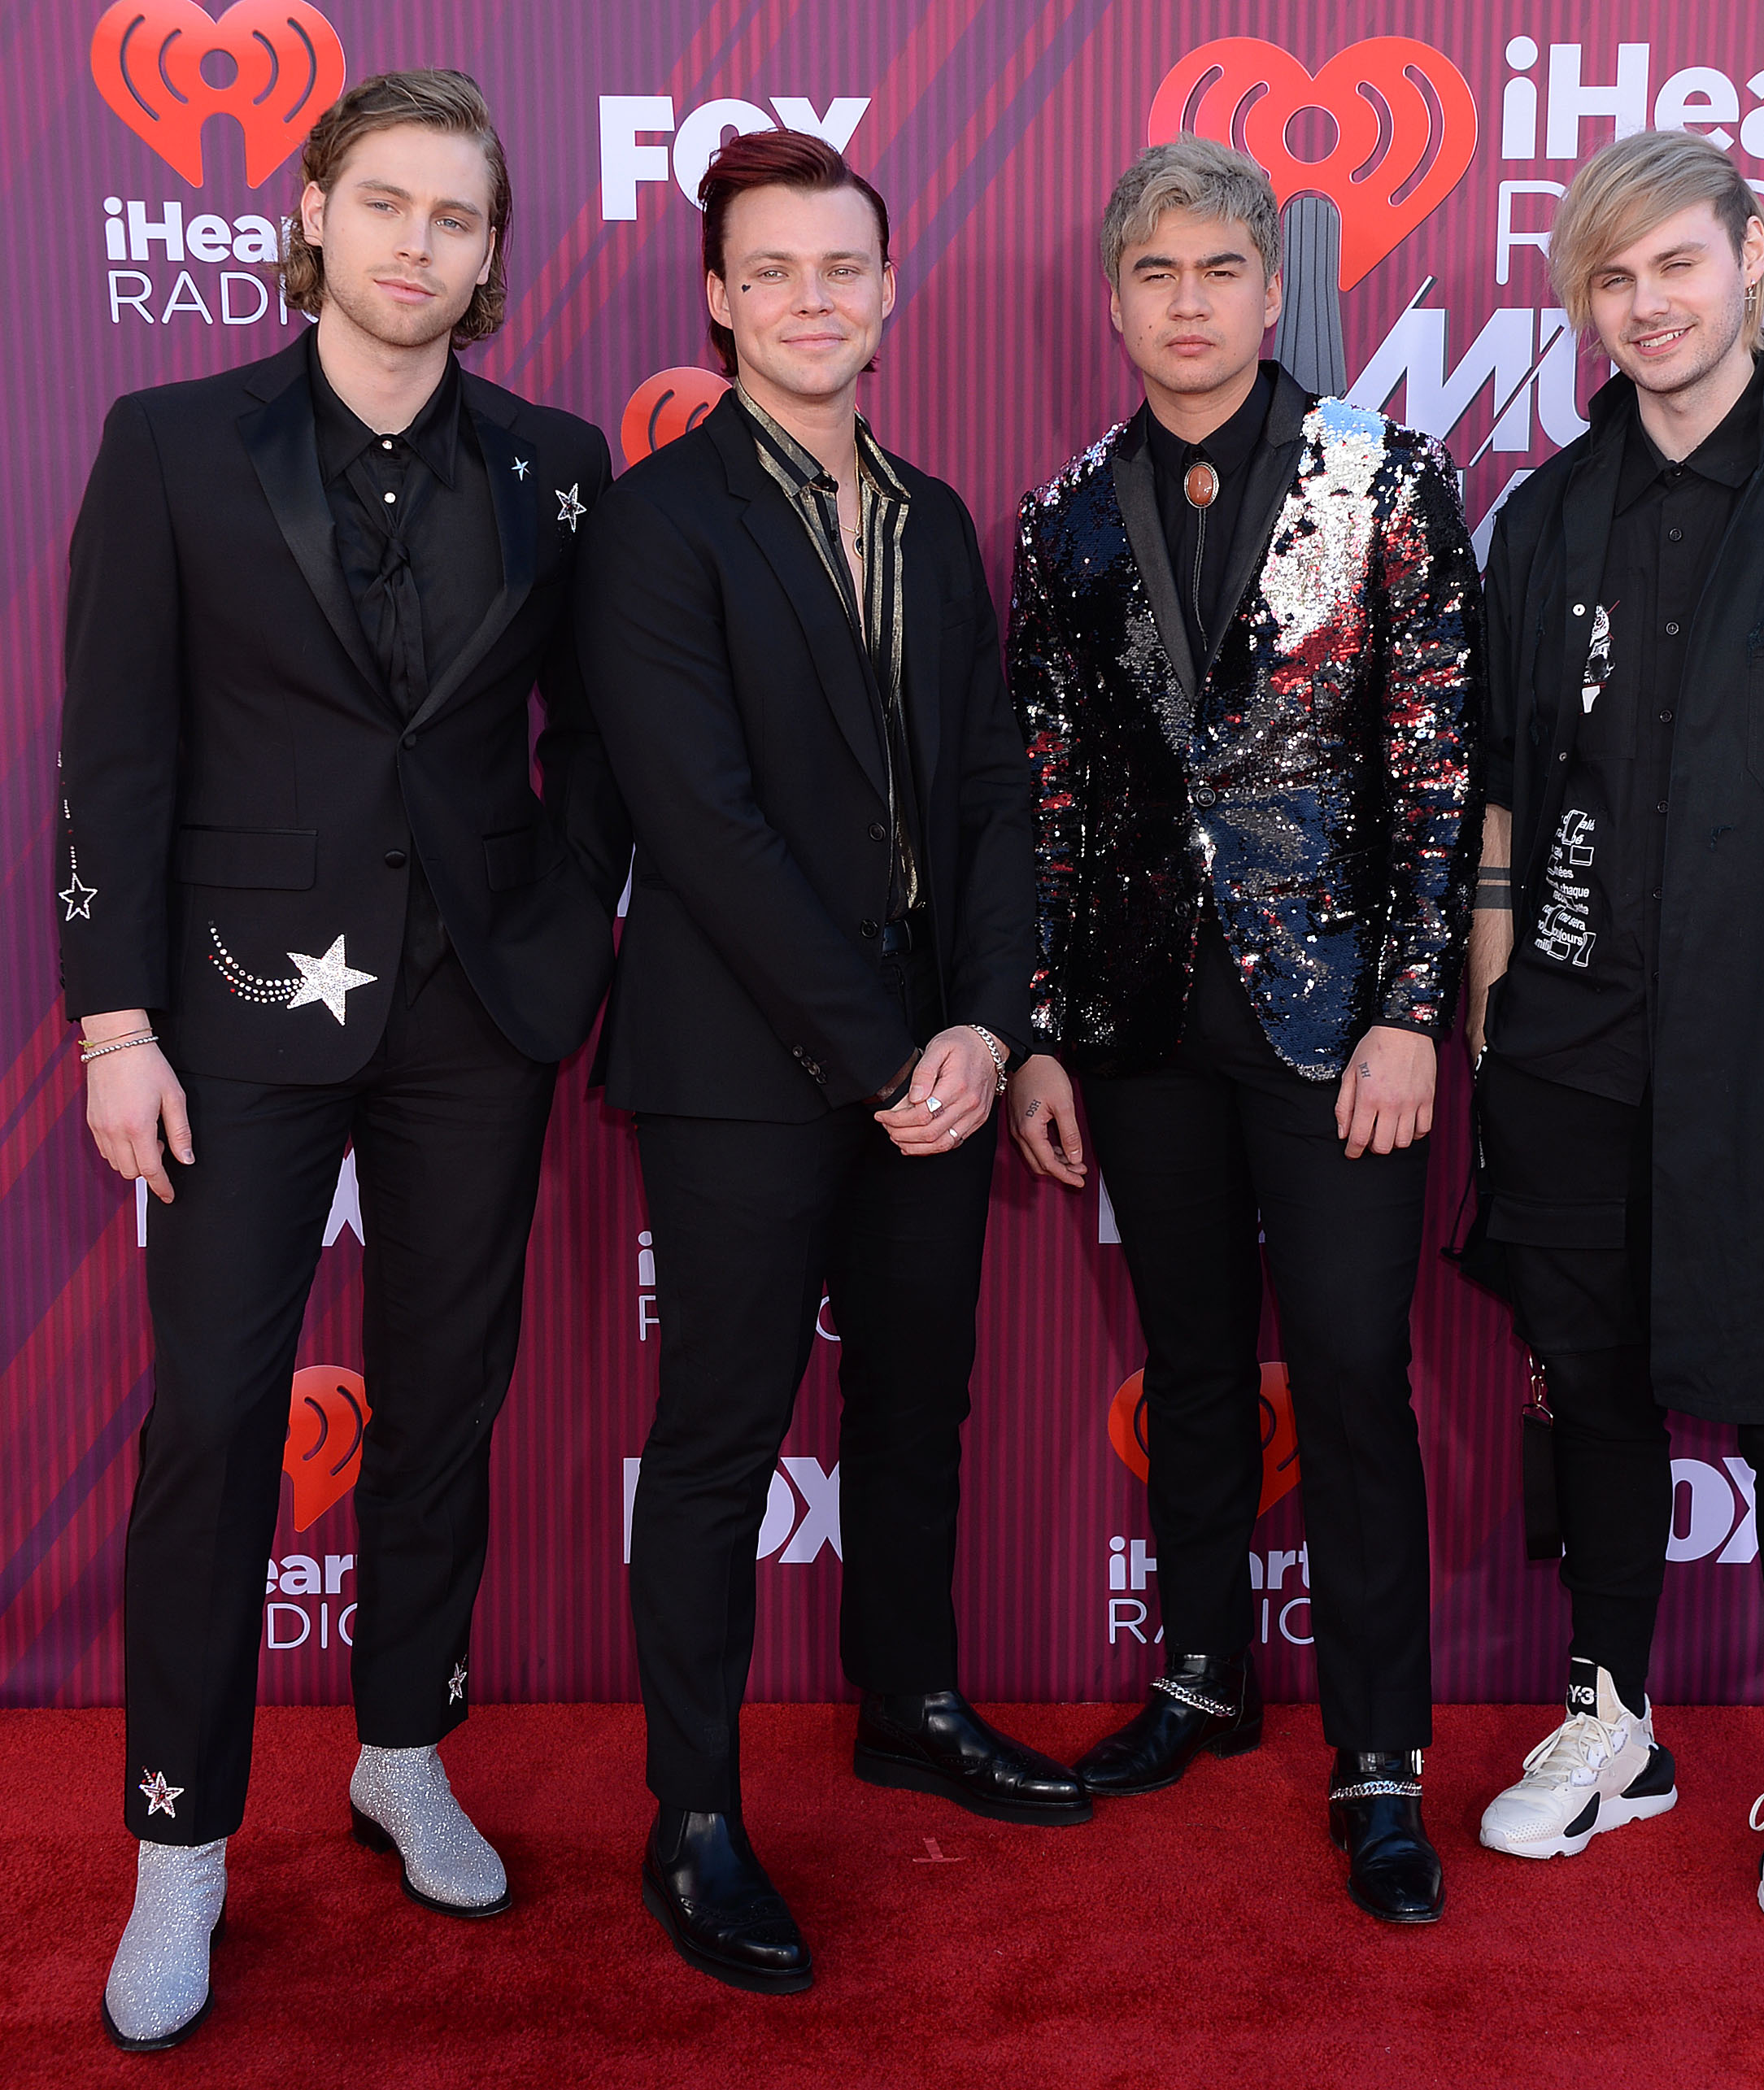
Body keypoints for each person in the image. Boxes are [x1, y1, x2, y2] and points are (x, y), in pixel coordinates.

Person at [61, 71, 630, 2049]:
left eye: (456, 216)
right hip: (236, 1008)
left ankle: (402, 1748)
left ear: (490, 253)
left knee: (443, 1399)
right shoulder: (171, 443)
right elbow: (116, 750)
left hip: (475, 1010)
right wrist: (115, 1022)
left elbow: (598, 742)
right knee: (219, 1418)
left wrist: (559, 931)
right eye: (385, 201)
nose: (418, 243)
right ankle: (180, 1842)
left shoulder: (557, 466)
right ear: (312, 215)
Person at [575, 129, 1084, 1998]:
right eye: (771, 269)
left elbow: (993, 793)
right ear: (718, 299)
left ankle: (910, 1705)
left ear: (886, 291)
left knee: (918, 1403)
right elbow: (702, 829)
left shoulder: (936, 521)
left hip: (932, 1055)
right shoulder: (654, 523)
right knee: (721, 1435)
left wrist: (987, 1024)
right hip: (743, 1062)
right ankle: (693, 1814)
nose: (810, 297)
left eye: (841, 266)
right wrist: (889, 1058)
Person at [1466, 128, 1764, 1928]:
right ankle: (1616, 1723)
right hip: (1572, 1049)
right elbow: (1503, 804)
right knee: (1590, 1389)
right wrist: (1496, 1026)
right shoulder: (1542, 520)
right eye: (1610, 277)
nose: (1645, 304)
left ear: (1757, 254)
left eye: (1676, 261)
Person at [1008, 137, 1481, 1925]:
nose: (1189, 303)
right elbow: (1052, 792)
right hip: (1142, 1020)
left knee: (1350, 1372)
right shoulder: (1064, 515)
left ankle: (1380, 1759)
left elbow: (1436, 774)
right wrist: (1043, 1030)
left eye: (1220, 270)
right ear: (1116, 300)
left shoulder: (1387, 478)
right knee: (1192, 1362)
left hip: (1337, 1017)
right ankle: (1203, 1675)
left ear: (1274, 292)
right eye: (1158, 274)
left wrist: (1413, 1012)